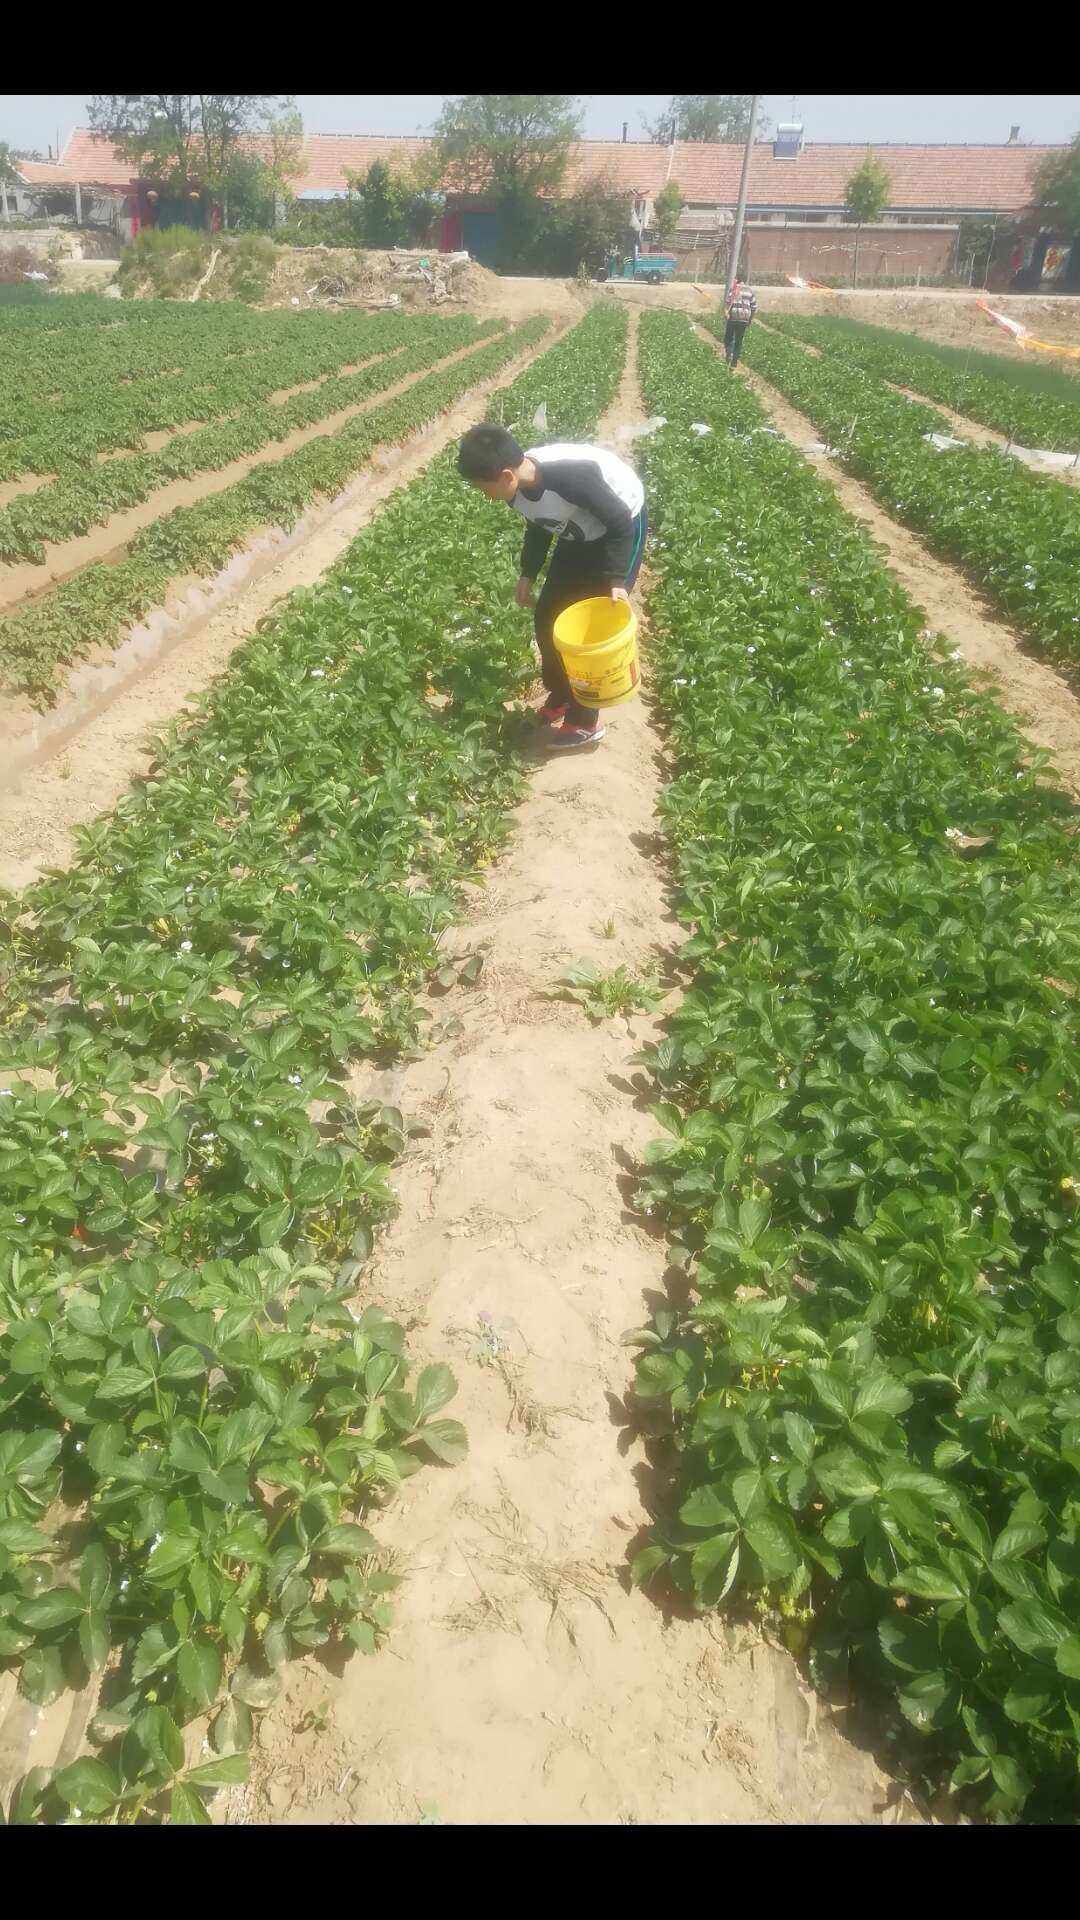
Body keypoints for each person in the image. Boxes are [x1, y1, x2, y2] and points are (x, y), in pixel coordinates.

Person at [456, 424, 647, 752]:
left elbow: (617, 522)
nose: (483, 495)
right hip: (578, 531)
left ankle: (586, 721)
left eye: (482, 487)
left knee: (589, 630)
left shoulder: (573, 479)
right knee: (548, 618)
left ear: (505, 476)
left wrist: (616, 580)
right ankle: (561, 694)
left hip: (620, 526)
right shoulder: (515, 487)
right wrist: (527, 573)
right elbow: (540, 521)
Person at [723, 280, 758, 367]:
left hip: (733, 317)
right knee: (739, 341)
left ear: (737, 280)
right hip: (744, 319)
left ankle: (729, 353)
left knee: (728, 338)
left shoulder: (734, 289)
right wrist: (750, 320)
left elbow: (727, 303)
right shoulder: (750, 291)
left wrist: (726, 313)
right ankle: (734, 362)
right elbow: (754, 307)